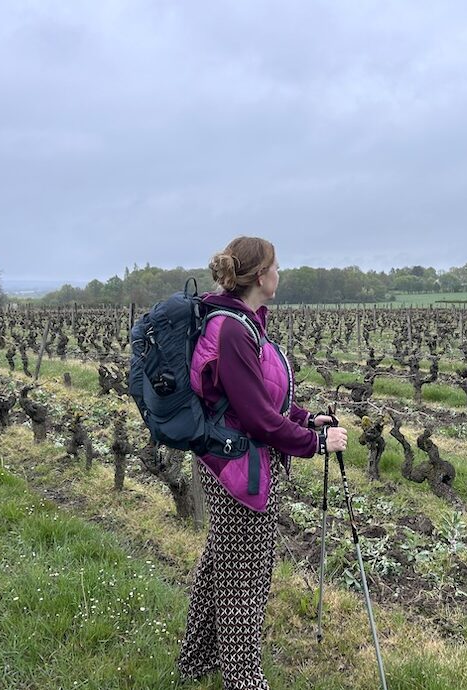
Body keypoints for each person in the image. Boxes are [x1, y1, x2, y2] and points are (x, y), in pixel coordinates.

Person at [177, 236, 348, 690]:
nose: (280, 273)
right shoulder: (233, 330)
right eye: (276, 266)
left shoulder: (243, 322)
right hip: (236, 467)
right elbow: (255, 418)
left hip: (233, 459)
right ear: (259, 276)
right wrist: (315, 442)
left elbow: (260, 400)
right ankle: (243, 679)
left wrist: (306, 418)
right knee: (244, 581)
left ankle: (195, 662)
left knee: (223, 563)